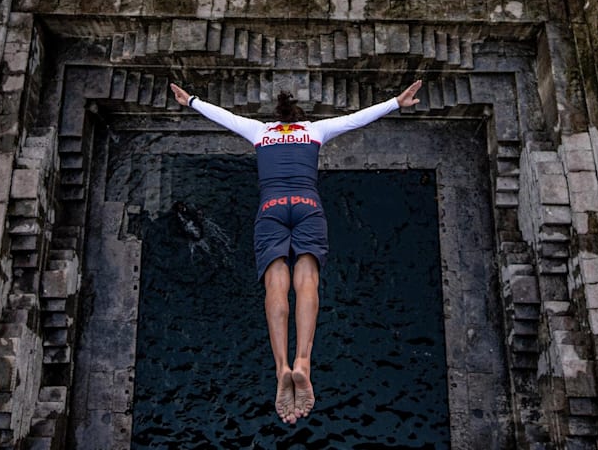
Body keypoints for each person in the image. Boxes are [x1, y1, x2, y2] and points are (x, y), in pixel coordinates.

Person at [168, 79, 423, 424]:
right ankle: (303, 361)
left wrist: (192, 100)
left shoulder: (259, 132)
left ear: (277, 119)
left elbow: (224, 117)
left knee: (276, 285)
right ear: (300, 118)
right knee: (307, 282)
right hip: (307, 206)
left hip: (272, 208)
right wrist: (395, 101)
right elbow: (356, 118)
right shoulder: (315, 130)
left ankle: (281, 368)